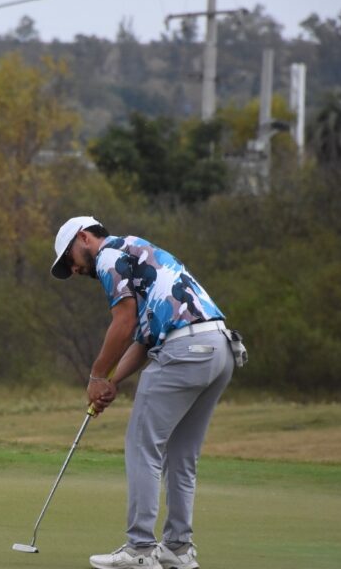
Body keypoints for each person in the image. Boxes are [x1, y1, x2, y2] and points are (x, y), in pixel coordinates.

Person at [50, 216, 245, 569]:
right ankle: (177, 549)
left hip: (184, 352)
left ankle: (139, 549)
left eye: (70, 260)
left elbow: (122, 324)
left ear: (84, 237)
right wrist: (112, 382)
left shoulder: (109, 256)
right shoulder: (139, 251)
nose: (74, 269)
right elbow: (142, 337)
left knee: (142, 446)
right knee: (181, 454)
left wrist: (96, 375)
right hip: (219, 350)